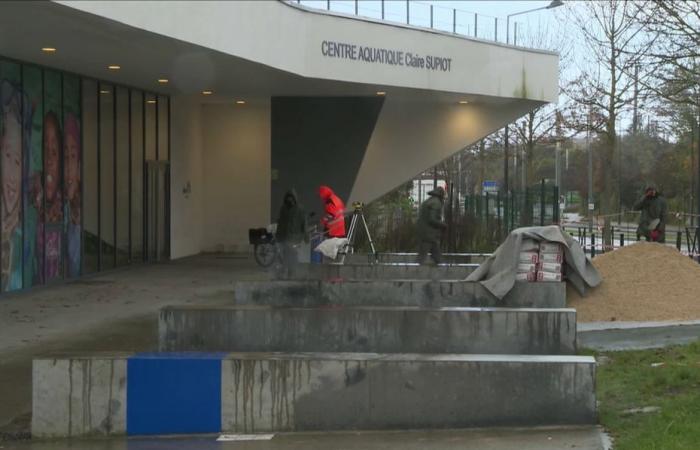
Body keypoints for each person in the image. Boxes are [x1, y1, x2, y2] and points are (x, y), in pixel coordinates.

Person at [275, 189, 307, 277]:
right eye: (288, 199)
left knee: (291, 257)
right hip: (285, 237)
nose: (290, 201)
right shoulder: (284, 209)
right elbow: (280, 223)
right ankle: (285, 273)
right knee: (285, 256)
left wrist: (305, 237)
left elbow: (304, 224)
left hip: (294, 238)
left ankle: (290, 273)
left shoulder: (299, 209)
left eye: (291, 199)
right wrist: (278, 236)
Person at [416, 186, 447, 265]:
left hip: (424, 232)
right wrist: (443, 225)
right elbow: (432, 219)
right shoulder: (436, 203)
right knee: (423, 257)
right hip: (429, 234)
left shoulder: (428, 201)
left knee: (433, 255)